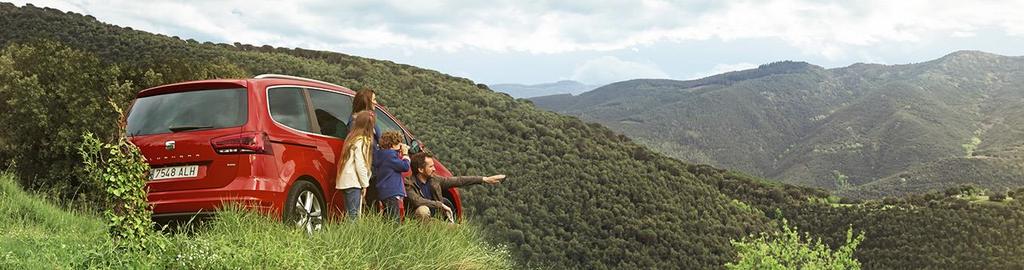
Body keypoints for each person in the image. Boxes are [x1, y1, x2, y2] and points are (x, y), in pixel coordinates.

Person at [404, 152, 505, 222]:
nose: (434, 169)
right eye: (430, 167)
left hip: (435, 219)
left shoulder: (434, 180)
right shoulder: (408, 183)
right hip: (416, 220)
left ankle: (442, 229)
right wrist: (440, 204)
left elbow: (459, 180)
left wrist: (484, 179)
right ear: (421, 169)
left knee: (457, 231)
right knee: (423, 210)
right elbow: (417, 200)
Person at [334, 110, 375, 220]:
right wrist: (365, 184)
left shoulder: (351, 138)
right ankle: (353, 236)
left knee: (349, 212)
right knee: (354, 215)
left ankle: (347, 235)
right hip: (354, 182)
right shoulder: (363, 141)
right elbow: (360, 164)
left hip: (345, 180)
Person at [374, 131, 410, 223]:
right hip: (392, 192)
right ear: (392, 145)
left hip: (384, 191)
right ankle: (395, 236)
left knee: (388, 218)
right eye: (398, 143)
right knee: (395, 220)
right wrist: (405, 154)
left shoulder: (380, 154)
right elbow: (405, 166)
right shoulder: (390, 155)